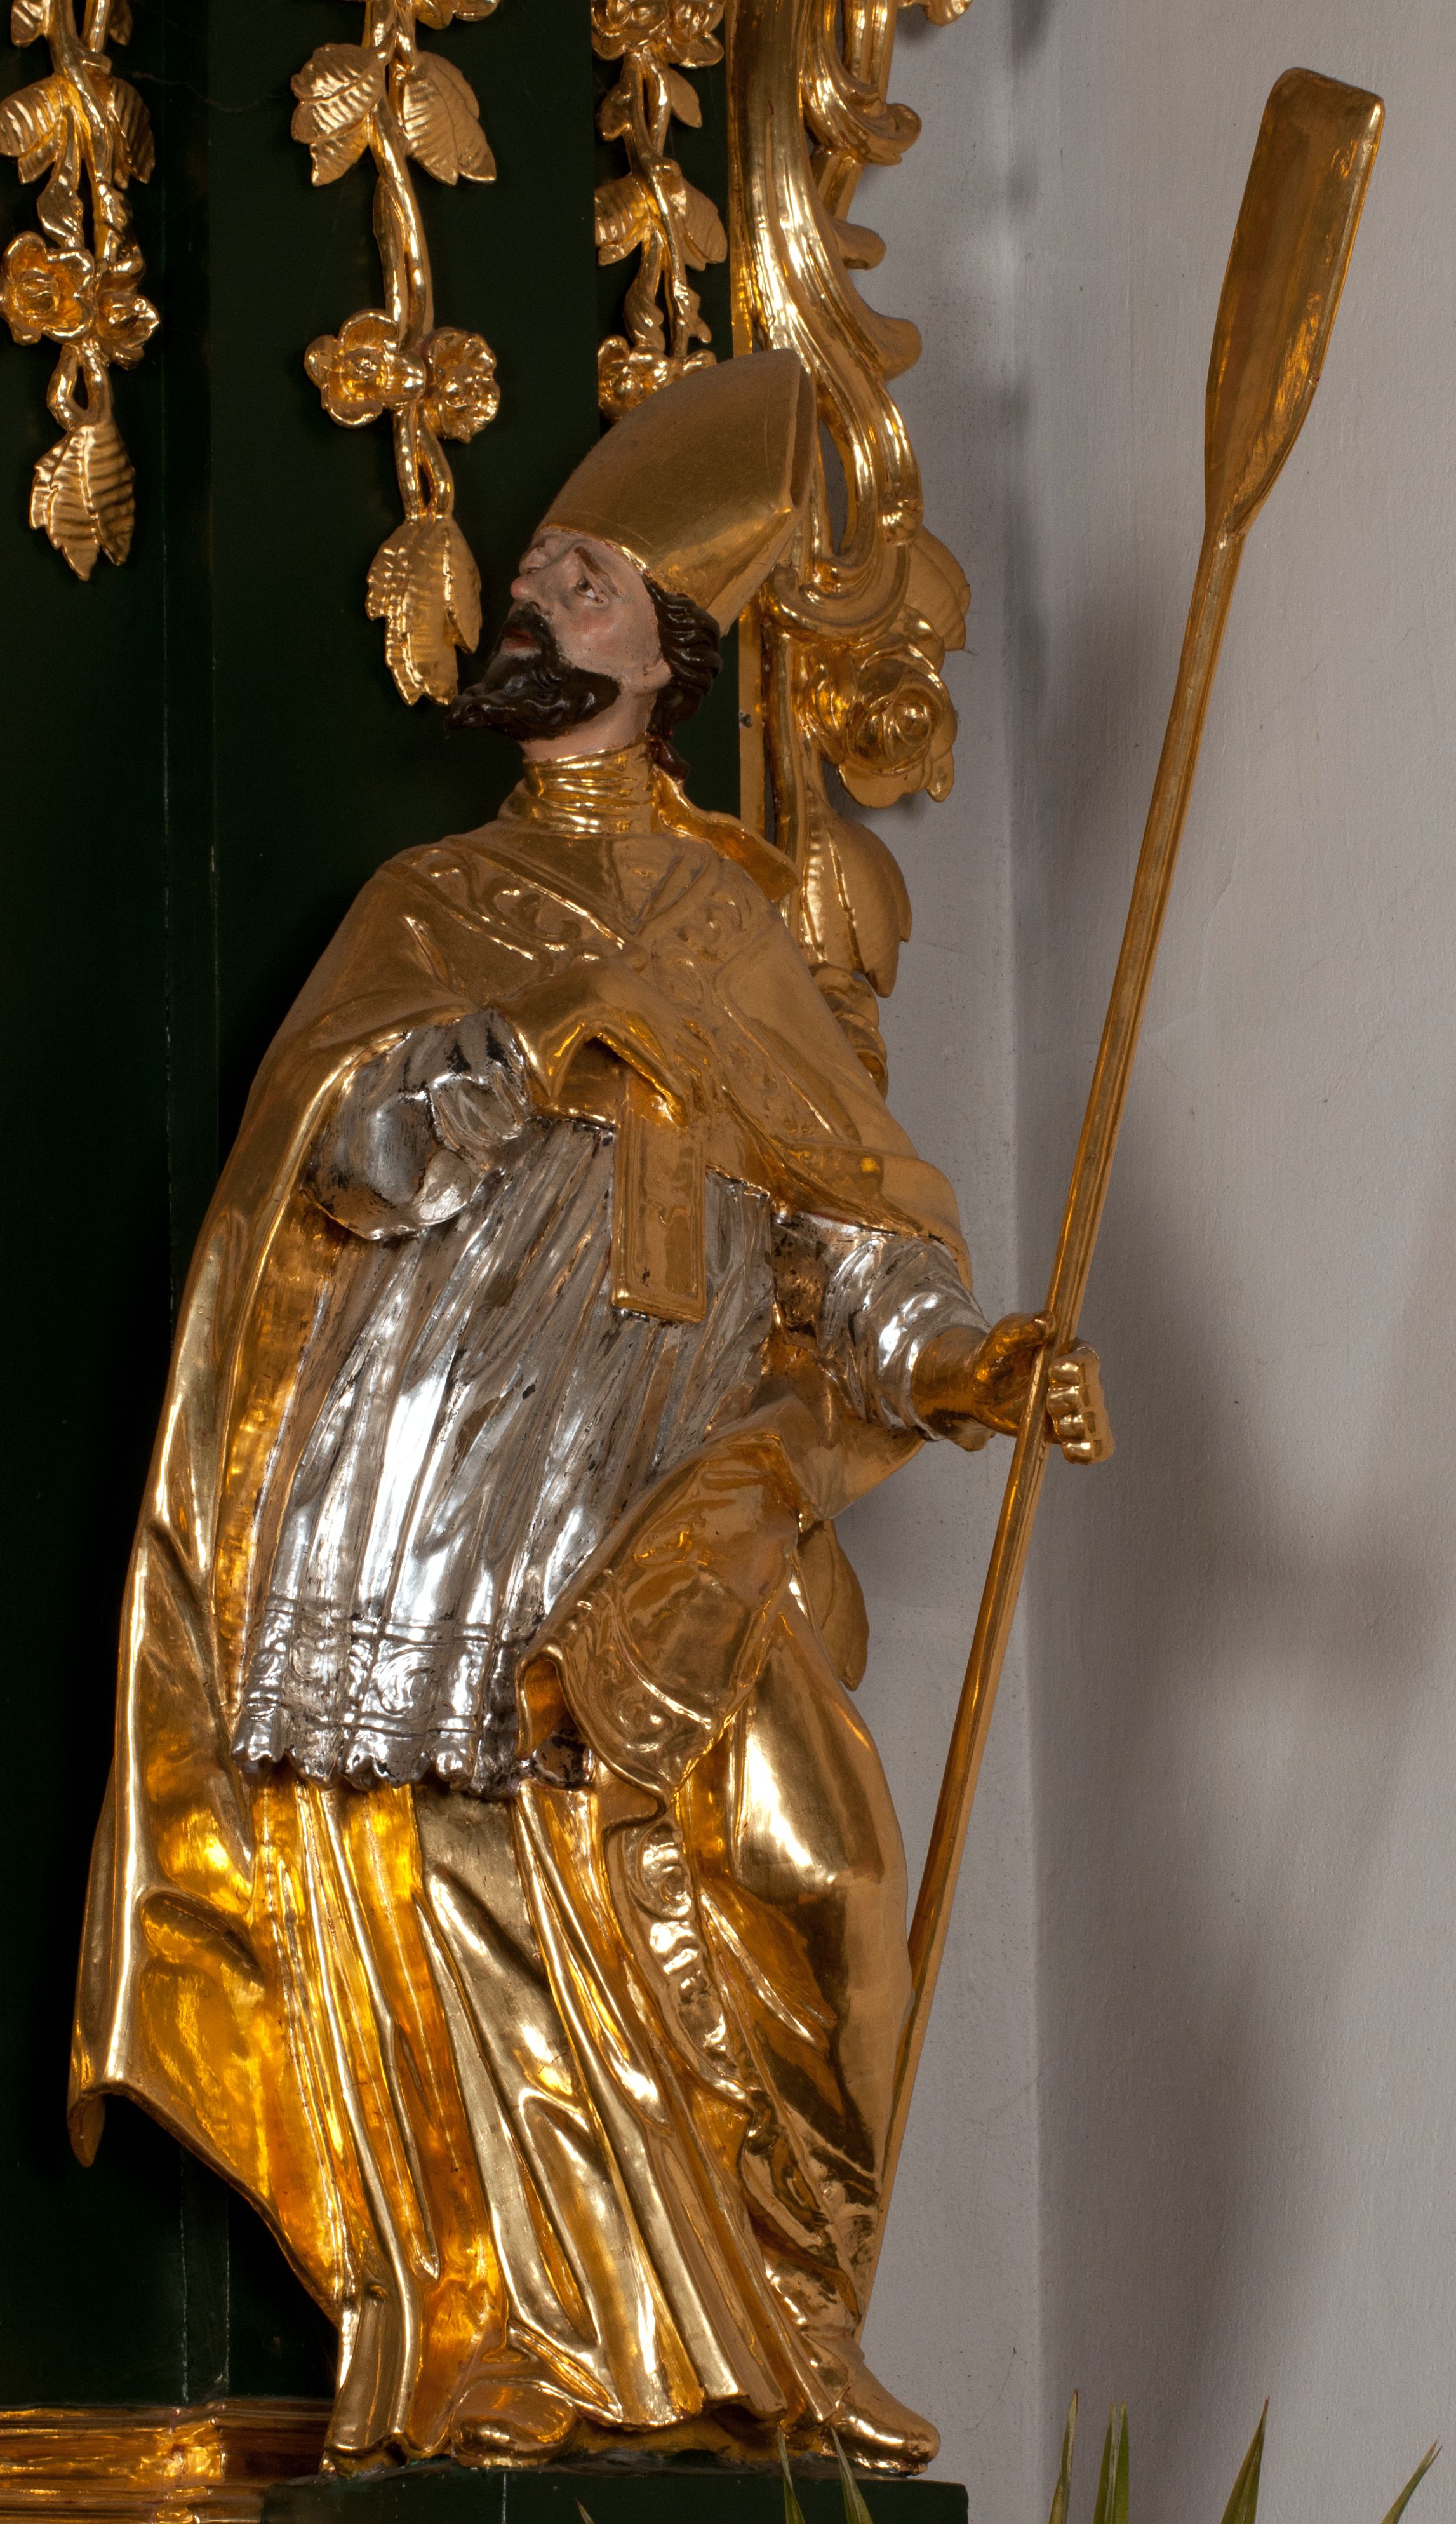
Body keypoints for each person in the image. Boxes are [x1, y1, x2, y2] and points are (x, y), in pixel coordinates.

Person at [69, 352, 1109, 2474]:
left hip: (686, 1499)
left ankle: (788, 2324)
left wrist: (970, 1359)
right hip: (449, 1498)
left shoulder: (736, 926)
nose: (539, 603)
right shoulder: (434, 908)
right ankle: (518, 2348)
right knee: (481, 1908)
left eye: (588, 584)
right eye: (535, 574)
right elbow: (339, 1174)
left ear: (669, 656)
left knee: (823, 1881)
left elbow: (843, 1238)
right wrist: (521, 1049)